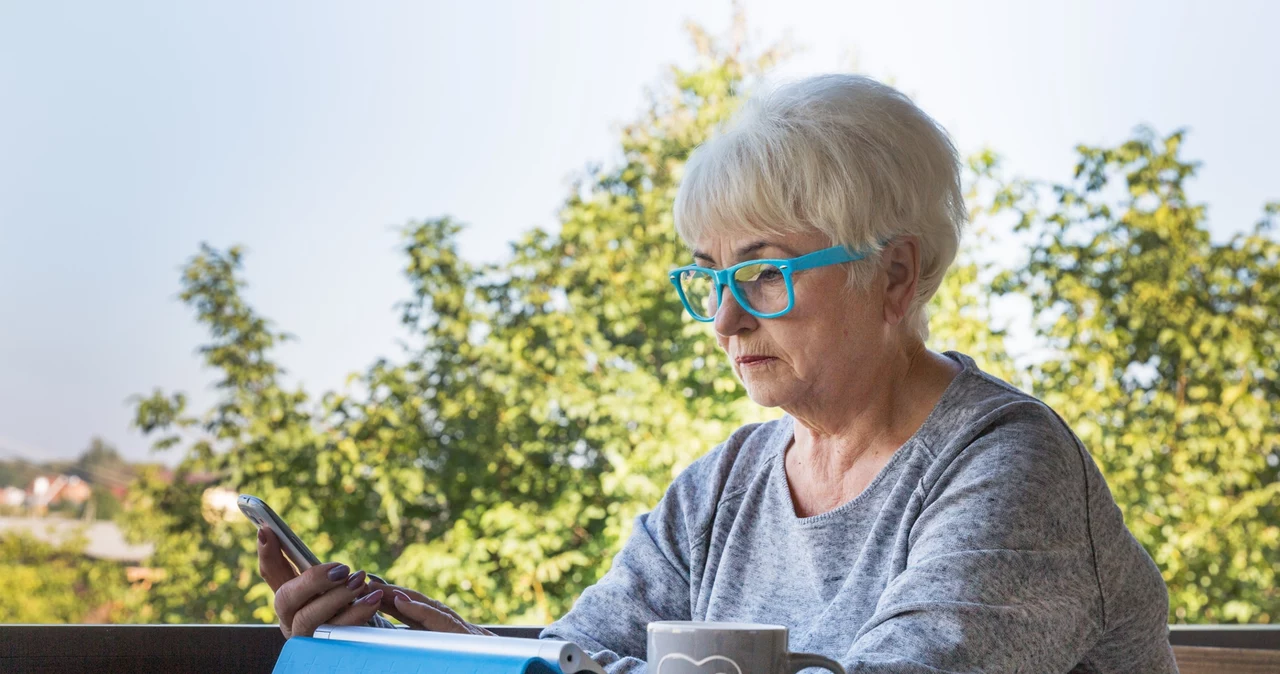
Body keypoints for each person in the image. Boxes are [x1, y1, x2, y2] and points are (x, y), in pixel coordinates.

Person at [256, 74, 1178, 673]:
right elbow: (584, 650)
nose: (726, 319)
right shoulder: (723, 487)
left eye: (766, 274)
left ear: (894, 274)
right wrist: (430, 651)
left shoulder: (1008, 466)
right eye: (709, 279)